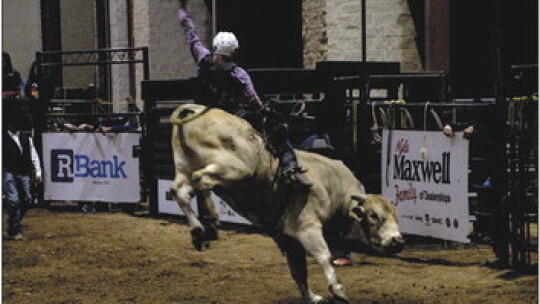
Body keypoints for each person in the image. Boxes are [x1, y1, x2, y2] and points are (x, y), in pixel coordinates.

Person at [177, 0, 311, 187]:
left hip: (204, 111)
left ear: (215, 46)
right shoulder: (238, 74)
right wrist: (263, 109)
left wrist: (183, 9)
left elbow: (190, 34)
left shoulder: (202, 58)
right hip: (231, 113)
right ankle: (290, 168)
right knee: (278, 131)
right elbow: (252, 98)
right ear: (234, 51)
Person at [2, 104, 43, 240]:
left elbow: (33, 156)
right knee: (14, 201)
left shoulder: (26, 139)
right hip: (8, 172)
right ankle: (16, 228)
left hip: (23, 172)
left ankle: (14, 223)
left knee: (25, 200)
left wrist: (38, 171)